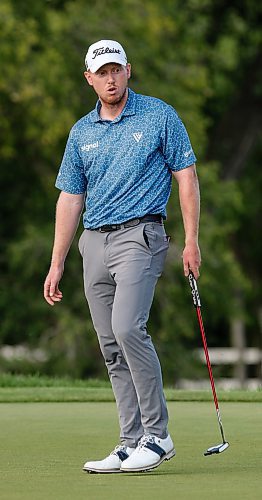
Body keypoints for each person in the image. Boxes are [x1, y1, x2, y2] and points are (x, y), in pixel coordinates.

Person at [44, 39, 201, 474]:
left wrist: (191, 240)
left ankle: (158, 435)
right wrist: (57, 261)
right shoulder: (81, 132)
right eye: (102, 72)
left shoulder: (158, 115)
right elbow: (70, 198)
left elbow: (186, 176)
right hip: (94, 242)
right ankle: (130, 441)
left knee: (128, 327)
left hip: (141, 235)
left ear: (128, 71)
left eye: (116, 69)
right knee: (111, 346)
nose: (110, 78)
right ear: (89, 78)